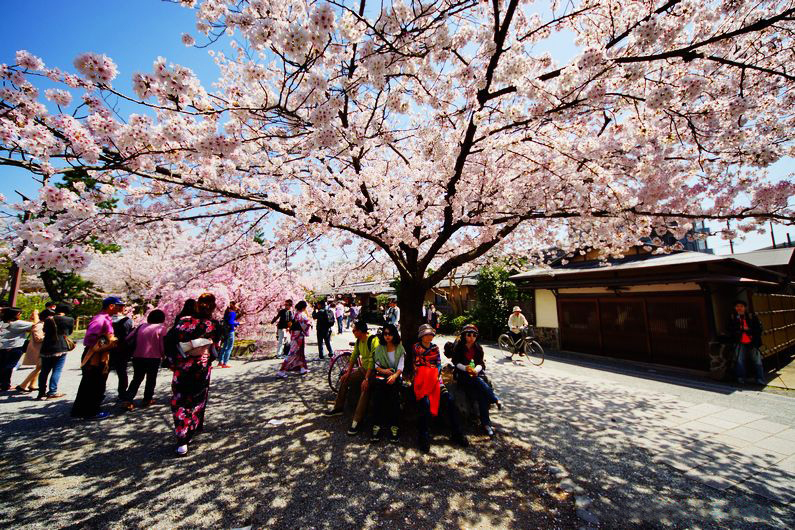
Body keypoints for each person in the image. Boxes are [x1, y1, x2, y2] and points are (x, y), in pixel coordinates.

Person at [168, 293, 221, 456]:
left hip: (181, 368)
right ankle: (191, 429)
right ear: (212, 308)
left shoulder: (183, 322)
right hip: (201, 368)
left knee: (180, 400)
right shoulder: (213, 325)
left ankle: (181, 436)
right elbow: (215, 348)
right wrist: (207, 352)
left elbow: (170, 342)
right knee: (197, 400)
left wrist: (173, 360)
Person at [412, 324, 467, 453]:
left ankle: (457, 432)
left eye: (430, 333)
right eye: (426, 334)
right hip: (422, 380)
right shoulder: (416, 347)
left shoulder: (435, 348)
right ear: (421, 335)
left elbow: (437, 364)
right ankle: (423, 436)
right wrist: (428, 370)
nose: (429, 336)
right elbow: (417, 364)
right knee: (424, 403)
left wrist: (435, 373)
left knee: (450, 400)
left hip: (436, 380)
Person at [324, 320, 380, 435]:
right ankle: (338, 407)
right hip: (363, 370)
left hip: (373, 372)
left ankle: (356, 421)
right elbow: (354, 356)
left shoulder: (373, 340)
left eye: (354, 330)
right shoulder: (359, 341)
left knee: (364, 389)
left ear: (360, 331)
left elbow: (373, 361)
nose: (353, 332)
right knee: (345, 379)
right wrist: (348, 373)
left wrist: (367, 379)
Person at [71, 297, 122, 418]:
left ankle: (82, 410)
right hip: (95, 355)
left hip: (100, 354)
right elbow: (90, 338)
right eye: (119, 305)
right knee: (94, 383)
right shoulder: (100, 319)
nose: (121, 308)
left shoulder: (105, 318)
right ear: (111, 306)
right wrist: (109, 341)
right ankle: (90, 411)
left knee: (93, 382)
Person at [451, 324, 502, 436]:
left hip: (476, 375)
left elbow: (480, 364)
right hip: (463, 376)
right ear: (464, 335)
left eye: (474, 335)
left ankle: (486, 424)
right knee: (478, 382)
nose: (471, 337)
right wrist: (466, 368)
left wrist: (476, 370)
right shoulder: (459, 347)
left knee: (481, 395)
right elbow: (456, 362)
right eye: (469, 334)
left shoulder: (478, 348)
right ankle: (494, 398)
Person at [123, 309, 168, 409]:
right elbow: (162, 345)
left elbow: (128, 338)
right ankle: (147, 400)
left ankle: (128, 400)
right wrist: (164, 356)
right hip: (153, 357)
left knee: (137, 378)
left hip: (137, 356)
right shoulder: (161, 328)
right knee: (151, 379)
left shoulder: (141, 326)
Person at [369, 323, 405, 443]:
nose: (387, 336)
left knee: (394, 399)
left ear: (394, 334)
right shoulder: (379, 348)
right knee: (378, 397)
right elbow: (376, 366)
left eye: (390, 334)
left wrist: (394, 375)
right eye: (385, 334)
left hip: (395, 376)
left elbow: (401, 367)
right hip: (382, 375)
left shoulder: (399, 348)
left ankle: (394, 427)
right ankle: (376, 426)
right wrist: (385, 371)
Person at [0, 307, 39, 391]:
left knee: (3, 365)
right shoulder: (17, 323)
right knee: (9, 366)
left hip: (3, 347)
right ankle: (5, 385)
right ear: (17, 314)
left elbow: (27, 328)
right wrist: (35, 314)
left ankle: (3, 383)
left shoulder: (3, 322)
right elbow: (36, 324)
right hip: (14, 347)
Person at [728, 301, 765, 385]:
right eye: (737, 306)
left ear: (745, 308)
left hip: (752, 342)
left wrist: (748, 330)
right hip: (739, 342)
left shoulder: (752, 317)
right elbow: (729, 329)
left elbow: (759, 329)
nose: (739, 308)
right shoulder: (733, 317)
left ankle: (760, 379)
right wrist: (739, 329)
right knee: (740, 361)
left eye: (741, 306)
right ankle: (741, 378)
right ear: (735, 308)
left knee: (757, 361)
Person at [16, 309, 51, 393]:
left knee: (39, 368)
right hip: (38, 349)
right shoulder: (39, 325)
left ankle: (32, 384)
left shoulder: (42, 324)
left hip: (40, 349)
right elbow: (38, 338)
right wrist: (48, 336)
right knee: (39, 367)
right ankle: (23, 385)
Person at [276, 301, 311, 378]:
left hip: (294, 335)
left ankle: (302, 368)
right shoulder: (302, 314)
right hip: (299, 336)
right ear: (303, 308)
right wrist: (307, 327)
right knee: (292, 353)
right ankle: (281, 371)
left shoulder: (296, 314)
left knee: (300, 352)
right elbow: (307, 323)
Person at [110, 301, 134, 401]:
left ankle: (99, 393)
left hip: (107, 348)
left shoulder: (107, 319)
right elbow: (130, 335)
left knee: (104, 371)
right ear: (122, 308)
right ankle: (122, 393)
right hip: (122, 349)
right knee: (122, 372)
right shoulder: (128, 321)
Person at [218, 301, 240, 368]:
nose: (238, 307)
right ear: (233, 305)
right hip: (230, 331)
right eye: (237, 305)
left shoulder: (227, 311)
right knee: (229, 347)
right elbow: (230, 322)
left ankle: (220, 362)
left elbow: (226, 321)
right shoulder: (233, 313)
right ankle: (225, 363)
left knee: (224, 346)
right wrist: (238, 323)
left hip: (225, 331)